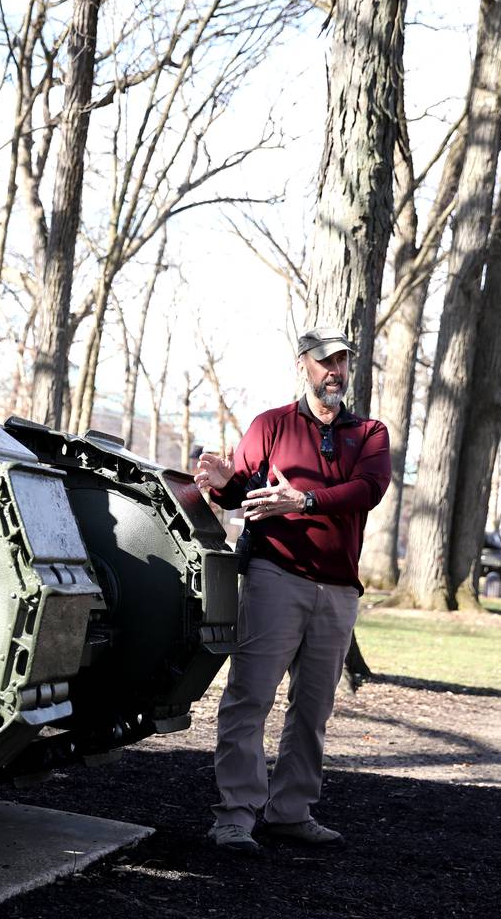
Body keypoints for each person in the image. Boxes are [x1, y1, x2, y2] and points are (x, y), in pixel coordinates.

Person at [195, 327, 391, 854]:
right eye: (326, 361)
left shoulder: (370, 432)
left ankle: (290, 811)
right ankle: (235, 816)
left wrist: (302, 501)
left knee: (313, 707)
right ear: (303, 364)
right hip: (274, 577)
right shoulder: (270, 425)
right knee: (249, 698)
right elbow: (244, 491)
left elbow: (367, 490)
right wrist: (222, 480)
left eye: (343, 361)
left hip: (337, 590)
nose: (336, 371)